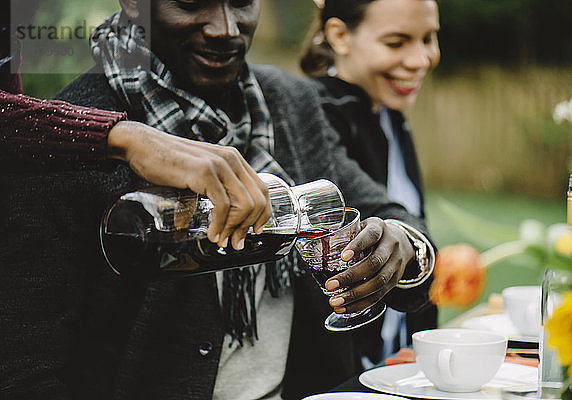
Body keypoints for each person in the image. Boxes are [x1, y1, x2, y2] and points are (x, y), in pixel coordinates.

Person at [1, 1, 435, 399]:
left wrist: (402, 246)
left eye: (242, 1)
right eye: (192, 2)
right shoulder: (68, 143)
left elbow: (392, 217)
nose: (226, 28)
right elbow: (26, 365)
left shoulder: (289, 101)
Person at [0, 0, 269, 249]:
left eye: (242, 0)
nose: (225, 29)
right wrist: (125, 140)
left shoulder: (296, 101)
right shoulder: (59, 176)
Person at [300, 0, 440, 365]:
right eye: (396, 43)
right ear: (339, 36)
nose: (420, 59)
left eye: (428, 38)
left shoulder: (390, 115)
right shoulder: (311, 116)